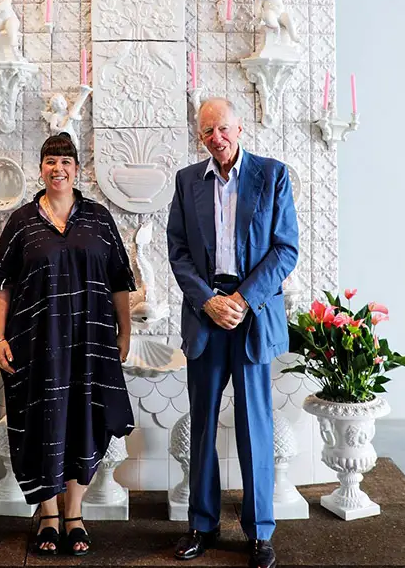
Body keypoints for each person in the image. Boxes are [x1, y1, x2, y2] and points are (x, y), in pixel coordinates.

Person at [0, 133, 135, 556]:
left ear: (77, 169)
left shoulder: (98, 219)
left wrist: (124, 334)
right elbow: (2, 286)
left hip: (89, 345)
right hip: (35, 345)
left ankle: (74, 513)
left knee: (84, 422)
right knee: (42, 425)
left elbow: (120, 282)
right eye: (51, 161)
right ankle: (48, 513)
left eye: (65, 162)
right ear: (41, 169)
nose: (58, 169)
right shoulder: (21, 222)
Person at [167, 98, 298, 568]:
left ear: (239, 128)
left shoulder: (273, 175)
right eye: (206, 132)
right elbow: (178, 252)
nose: (216, 138)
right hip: (206, 314)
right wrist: (209, 301)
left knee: (254, 426)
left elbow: (285, 250)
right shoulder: (186, 182)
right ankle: (201, 525)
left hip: (252, 314)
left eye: (222, 128)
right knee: (202, 425)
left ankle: (260, 532)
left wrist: (241, 301)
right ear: (199, 137)